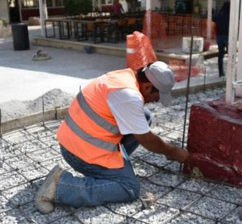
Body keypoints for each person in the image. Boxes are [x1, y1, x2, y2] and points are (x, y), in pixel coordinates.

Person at [35, 61, 190, 213]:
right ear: (148, 86)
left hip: (75, 138)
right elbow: (147, 139)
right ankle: (59, 186)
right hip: (79, 151)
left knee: (145, 116)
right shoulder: (128, 96)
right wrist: (174, 152)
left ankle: (110, 169)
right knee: (129, 188)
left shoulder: (125, 77)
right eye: (157, 95)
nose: (156, 100)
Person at [213, 2, 230, 78]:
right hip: (228, 37)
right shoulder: (230, 16)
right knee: (230, 55)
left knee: (220, 55)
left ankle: (221, 72)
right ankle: (230, 72)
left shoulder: (218, 16)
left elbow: (213, 20)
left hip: (219, 37)